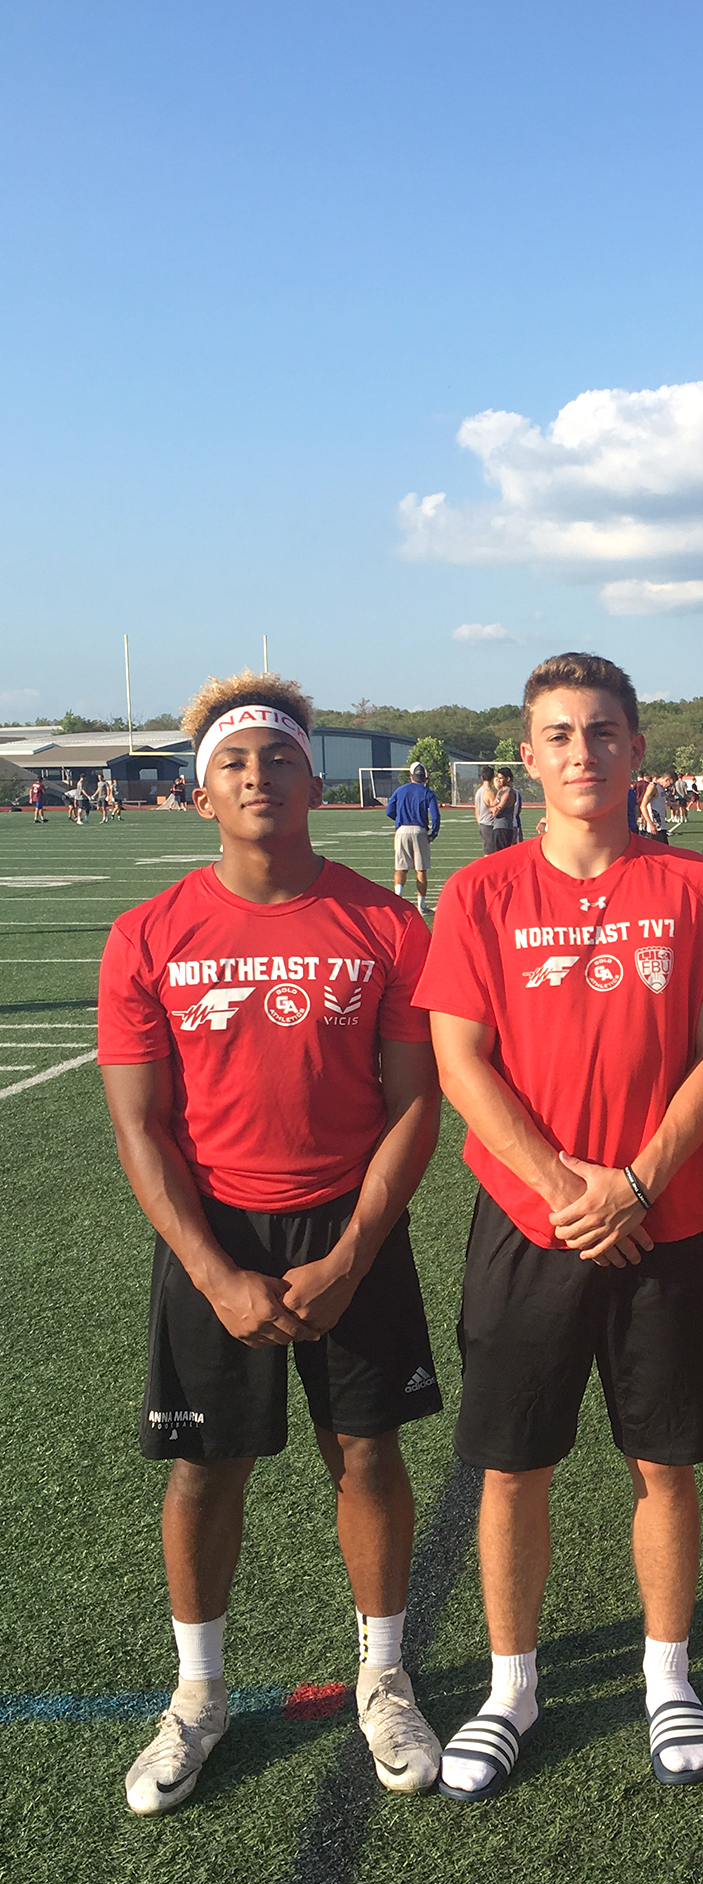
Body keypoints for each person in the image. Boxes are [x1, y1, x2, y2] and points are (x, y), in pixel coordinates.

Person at [97, 671, 446, 1816]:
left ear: (314, 776)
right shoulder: (148, 932)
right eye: (236, 763)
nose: (259, 776)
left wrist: (350, 1254)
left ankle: (384, 1674)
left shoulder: (386, 920)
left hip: (351, 1224)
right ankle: (198, 1693)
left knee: (368, 1454)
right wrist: (214, 1271)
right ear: (203, 793)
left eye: (279, 757)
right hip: (215, 1232)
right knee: (205, 1466)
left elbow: (413, 1104)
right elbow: (140, 1124)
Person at [415, 651, 703, 1799]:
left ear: (636, 749)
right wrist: (567, 1187)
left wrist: (638, 1181)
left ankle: (669, 1674)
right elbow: (461, 1058)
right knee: (513, 1468)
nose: (581, 753)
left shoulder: (698, 888)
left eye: (602, 732)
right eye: (558, 734)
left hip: (662, 1220)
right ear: (527, 756)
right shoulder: (479, 893)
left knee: (663, 1459)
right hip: (527, 1221)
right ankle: (512, 1685)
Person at [386, 761, 442, 915]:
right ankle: (422, 906)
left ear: (410, 775)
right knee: (421, 869)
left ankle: (398, 901)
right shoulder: (427, 793)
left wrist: (400, 819)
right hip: (419, 830)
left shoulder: (400, 790)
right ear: (424, 777)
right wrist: (434, 833)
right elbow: (436, 816)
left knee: (400, 868)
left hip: (402, 829)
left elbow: (389, 810)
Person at [474, 767, 501, 856]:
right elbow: (495, 809)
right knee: (491, 854)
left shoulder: (478, 791)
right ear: (493, 778)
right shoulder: (488, 792)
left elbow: (476, 809)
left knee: (488, 851)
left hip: (482, 823)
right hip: (489, 825)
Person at [494, 767, 522, 848]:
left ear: (508, 779)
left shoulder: (512, 793)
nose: (498, 781)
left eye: (500, 778)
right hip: (503, 825)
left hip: (511, 825)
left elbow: (518, 810)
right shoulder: (501, 792)